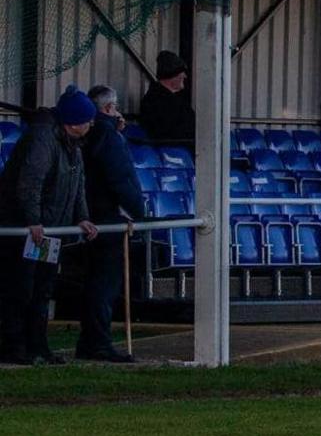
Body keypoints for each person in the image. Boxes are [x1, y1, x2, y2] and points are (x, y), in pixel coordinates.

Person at [0, 86, 98, 365]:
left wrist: (82, 216)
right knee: (21, 287)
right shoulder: (42, 139)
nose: (91, 125)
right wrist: (33, 220)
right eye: (87, 120)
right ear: (72, 122)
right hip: (30, 231)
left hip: (49, 232)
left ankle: (38, 345)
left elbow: (77, 184)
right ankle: (15, 345)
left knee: (42, 288)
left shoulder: (72, 145)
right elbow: (30, 183)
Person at [76, 85, 147, 363]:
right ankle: (97, 343)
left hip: (93, 214)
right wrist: (137, 211)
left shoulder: (95, 134)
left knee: (95, 282)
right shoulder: (107, 136)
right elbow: (120, 179)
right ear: (107, 108)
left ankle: (91, 340)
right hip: (107, 218)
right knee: (104, 285)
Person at [139, 50, 195, 144]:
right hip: (175, 151)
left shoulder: (174, 99)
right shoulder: (154, 102)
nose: (185, 76)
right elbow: (168, 132)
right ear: (173, 76)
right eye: (182, 73)